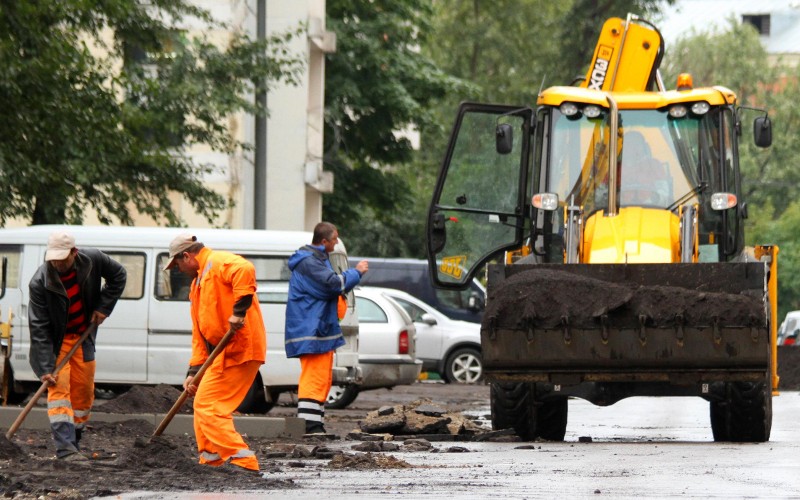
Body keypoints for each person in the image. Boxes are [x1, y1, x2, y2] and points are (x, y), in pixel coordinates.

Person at [163, 233, 266, 473]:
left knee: (210, 406)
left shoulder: (217, 263)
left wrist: (239, 312)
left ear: (186, 256)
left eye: (177, 263)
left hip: (241, 348)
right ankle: (211, 458)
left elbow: (245, 269)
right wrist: (194, 372)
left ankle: (243, 461)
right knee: (201, 402)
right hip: (223, 353)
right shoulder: (197, 284)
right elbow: (199, 334)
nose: (177, 268)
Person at [28, 231, 127, 461]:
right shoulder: (40, 281)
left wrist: (104, 307)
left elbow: (119, 275)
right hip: (56, 342)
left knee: (83, 392)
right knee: (59, 391)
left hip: (83, 336)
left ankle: (74, 443)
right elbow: (39, 326)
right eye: (53, 259)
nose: (57, 263)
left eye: (62, 258)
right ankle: (65, 448)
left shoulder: (93, 260)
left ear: (74, 252)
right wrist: (45, 367)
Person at [285, 222, 368, 435]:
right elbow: (331, 284)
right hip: (313, 329)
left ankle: (315, 424)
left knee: (321, 378)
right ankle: (310, 426)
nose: (336, 242)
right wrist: (356, 273)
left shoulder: (315, 260)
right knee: (314, 378)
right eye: (334, 239)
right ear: (324, 241)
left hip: (318, 328)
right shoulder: (310, 262)